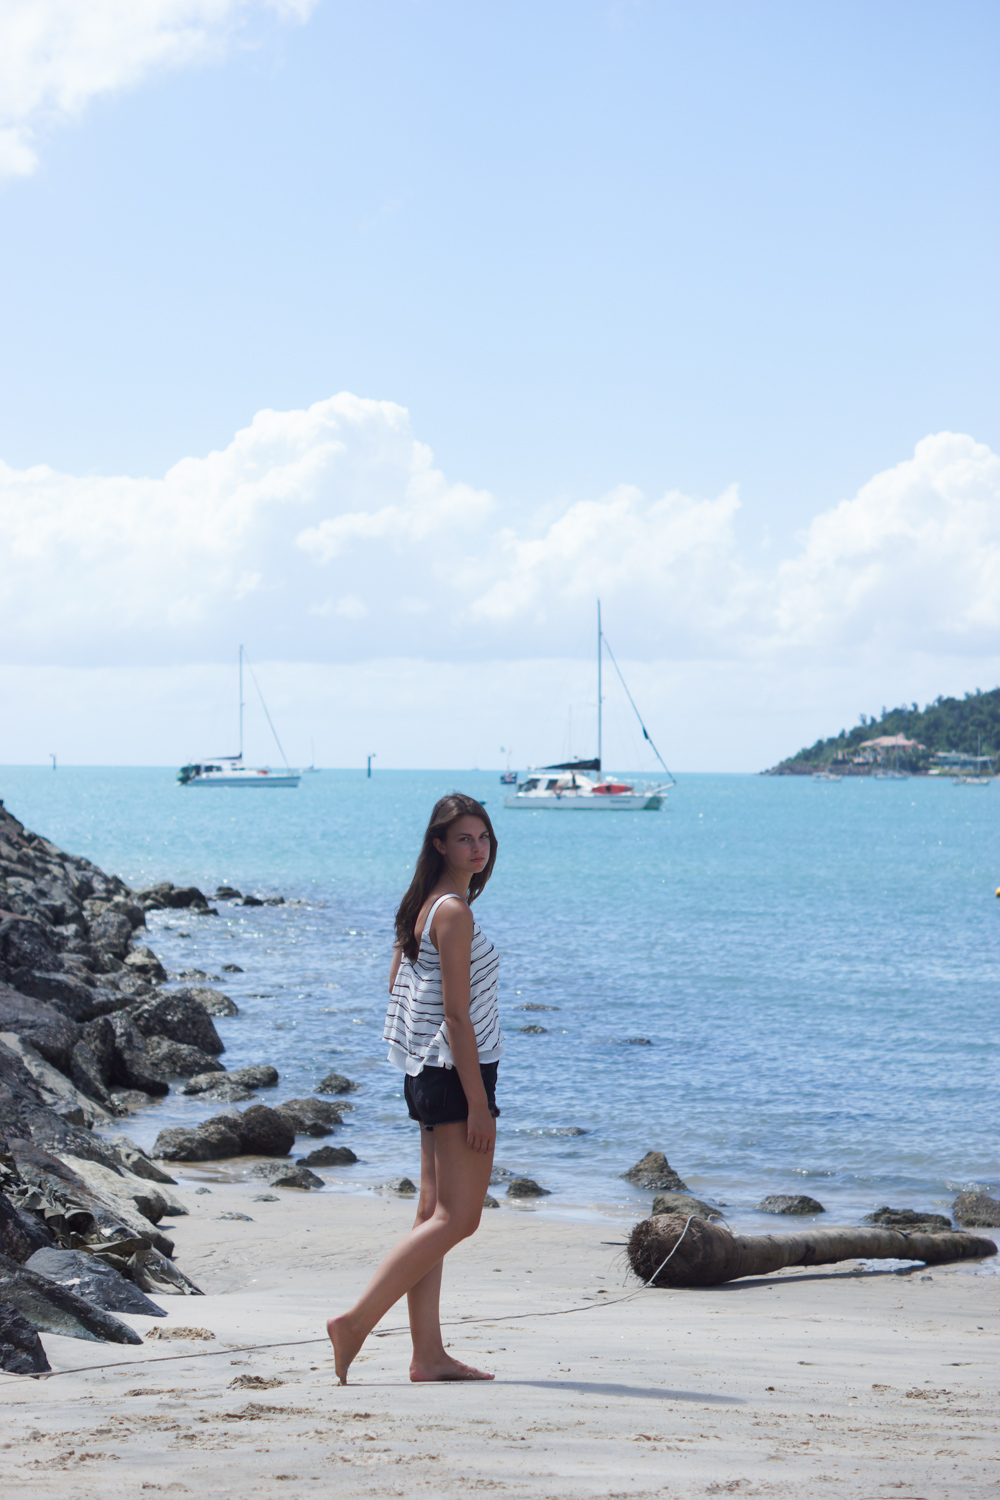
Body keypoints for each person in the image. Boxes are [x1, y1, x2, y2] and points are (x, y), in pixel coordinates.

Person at [326, 792, 504, 1384]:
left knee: (432, 1213)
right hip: (454, 1073)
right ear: (439, 845)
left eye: (482, 837)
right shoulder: (451, 911)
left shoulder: (422, 905)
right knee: (459, 1219)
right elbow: (456, 1015)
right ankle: (354, 1322)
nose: (476, 848)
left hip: (426, 1070)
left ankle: (427, 1356)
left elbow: (401, 987)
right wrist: (478, 1103)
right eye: (464, 839)